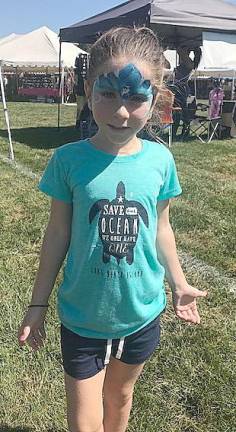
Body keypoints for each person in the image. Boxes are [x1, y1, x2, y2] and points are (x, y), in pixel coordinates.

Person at [18, 27, 207, 432]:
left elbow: (161, 227)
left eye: (136, 97)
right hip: (83, 316)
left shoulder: (160, 161)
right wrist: (38, 305)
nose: (121, 112)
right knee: (83, 420)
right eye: (108, 94)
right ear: (88, 91)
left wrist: (179, 282)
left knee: (120, 398)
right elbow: (57, 236)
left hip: (140, 314)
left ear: (155, 97)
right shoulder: (68, 161)